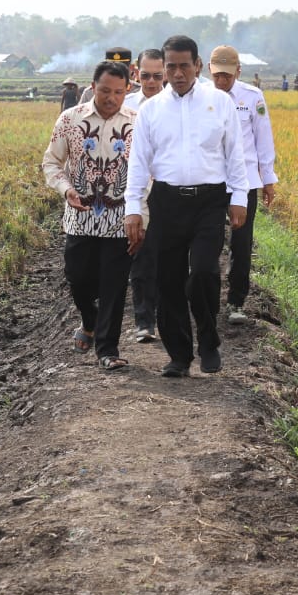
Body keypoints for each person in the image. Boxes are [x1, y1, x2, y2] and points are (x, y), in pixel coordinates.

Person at [125, 36, 249, 378]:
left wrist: (238, 198)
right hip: (166, 202)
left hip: (210, 200)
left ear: (197, 66)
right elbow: (138, 162)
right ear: (163, 69)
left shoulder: (219, 102)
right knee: (168, 282)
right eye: (171, 66)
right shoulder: (151, 110)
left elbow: (234, 153)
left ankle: (208, 340)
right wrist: (133, 208)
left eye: (184, 65)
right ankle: (179, 355)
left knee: (205, 273)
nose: (177, 73)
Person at [41, 60, 138, 371]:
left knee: (114, 284)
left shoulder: (139, 123)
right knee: (77, 277)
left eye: (119, 92)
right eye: (105, 90)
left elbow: (148, 173)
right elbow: (52, 164)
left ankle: (108, 350)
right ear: (93, 87)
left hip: (120, 219)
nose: (111, 97)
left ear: (127, 91)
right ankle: (89, 320)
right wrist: (66, 188)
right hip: (80, 218)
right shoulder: (70, 120)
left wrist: (142, 215)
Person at [208, 46, 278, 326]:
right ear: (208, 71)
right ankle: (207, 299)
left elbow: (264, 139)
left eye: (227, 75)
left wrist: (268, 179)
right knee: (208, 241)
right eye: (217, 75)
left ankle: (236, 302)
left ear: (238, 71)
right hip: (211, 180)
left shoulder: (252, 97)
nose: (221, 81)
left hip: (245, 181)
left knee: (241, 242)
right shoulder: (201, 96)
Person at [121, 48, 165, 343]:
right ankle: (144, 321)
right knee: (140, 254)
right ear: (136, 73)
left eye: (157, 76)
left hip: (168, 190)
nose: (151, 82)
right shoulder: (125, 106)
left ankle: (166, 315)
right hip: (136, 189)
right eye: (145, 75)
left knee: (167, 258)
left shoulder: (176, 105)